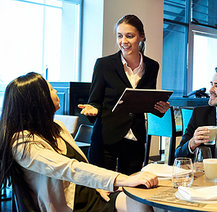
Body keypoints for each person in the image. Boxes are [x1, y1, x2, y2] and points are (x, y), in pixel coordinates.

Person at [0, 73, 158, 212]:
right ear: (38, 100)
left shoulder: (57, 128)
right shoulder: (22, 143)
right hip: (72, 205)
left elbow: (82, 164)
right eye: (51, 89)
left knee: (140, 203)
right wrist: (125, 179)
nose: (56, 91)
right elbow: (69, 168)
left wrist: (97, 186)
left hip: (91, 194)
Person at [78, 15, 169, 175]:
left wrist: (159, 108)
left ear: (141, 36)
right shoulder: (104, 65)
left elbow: (145, 101)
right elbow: (95, 102)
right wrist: (93, 109)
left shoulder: (152, 66)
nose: (123, 41)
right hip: (106, 137)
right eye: (120, 36)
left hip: (135, 138)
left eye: (129, 36)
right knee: (102, 189)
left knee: (131, 189)